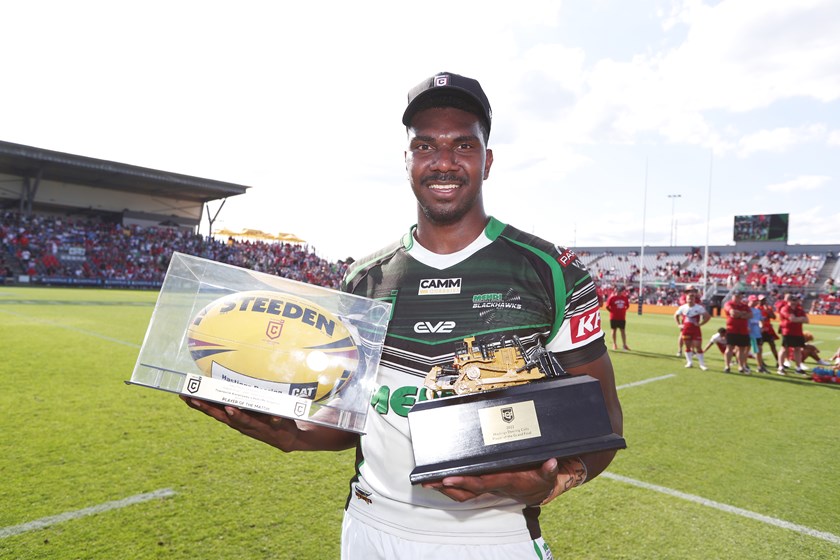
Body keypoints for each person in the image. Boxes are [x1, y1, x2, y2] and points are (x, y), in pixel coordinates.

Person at [182, 72, 623, 559]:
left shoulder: (552, 271)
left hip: (493, 536)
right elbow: (354, 417)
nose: (444, 162)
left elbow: (603, 418)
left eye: (463, 145)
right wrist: (293, 435)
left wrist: (555, 481)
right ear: (407, 160)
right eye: (425, 146)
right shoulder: (363, 278)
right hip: (371, 527)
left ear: (488, 161)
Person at [674, 289, 710, 369]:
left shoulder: (699, 307)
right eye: (689, 297)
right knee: (687, 346)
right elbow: (676, 315)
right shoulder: (682, 307)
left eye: (692, 297)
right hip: (686, 330)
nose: (690, 299)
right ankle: (689, 362)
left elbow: (707, 317)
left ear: (694, 299)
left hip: (695, 330)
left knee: (698, 346)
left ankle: (702, 364)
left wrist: (700, 324)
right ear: (686, 299)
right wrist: (679, 324)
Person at [778, 294, 809, 374]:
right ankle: (780, 367)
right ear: (789, 301)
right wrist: (801, 319)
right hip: (787, 332)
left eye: (795, 300)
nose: (794, 302)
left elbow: (807, 320)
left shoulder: (799, 309)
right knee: (784, 349)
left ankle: (798, 368)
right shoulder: (785, 308)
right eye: (793, 300)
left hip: (798, 332)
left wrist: (798, 319)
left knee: (797, 349)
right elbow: (792, 319)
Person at [723, 291, 752, 374]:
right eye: (736, 296)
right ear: (733, 296)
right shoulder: (729, 304)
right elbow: (733, 313)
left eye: (739, 296)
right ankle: (727, 366)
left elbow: (750, 315)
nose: (738, 298)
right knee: (729, 347)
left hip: (743, 330)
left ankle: (741, 366)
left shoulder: (744, 306)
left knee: (742, 349)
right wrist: (743, 314)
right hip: (732, 329)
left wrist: (740, 314)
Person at [757, 294, 781, 369]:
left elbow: (773, 317)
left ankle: (778, 361)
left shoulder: (767, 308)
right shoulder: (757, 308)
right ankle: (761, 362)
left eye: (764, 300)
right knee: (759, 346)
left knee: (772, 345)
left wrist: (768, 310)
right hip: (760, 330)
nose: (763, 301)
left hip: (768, 329)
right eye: (761, 300)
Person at [747, 295, 769, 373]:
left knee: (759, 349)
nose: (755, 302)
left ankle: (760, 366)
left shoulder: (758, 310)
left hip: (756, 332)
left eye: (756, 301)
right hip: (748, 333)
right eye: (753, 301)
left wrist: (762, 327)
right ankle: (744, 364)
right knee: (746, 349)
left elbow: (761, 319)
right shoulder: (746, 309)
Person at [605, 285, 631, 350]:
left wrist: (623, 310)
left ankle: (624, 345)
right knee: (614, 330)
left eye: (619, 291)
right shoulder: (612, 298)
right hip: (613, 317)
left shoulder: (624, 298)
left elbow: (627, 306)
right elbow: (607, 306)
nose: (618, 292)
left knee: (623, 331)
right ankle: (614, 344)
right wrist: (612, 311)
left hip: (622, 317)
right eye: (617, 291)